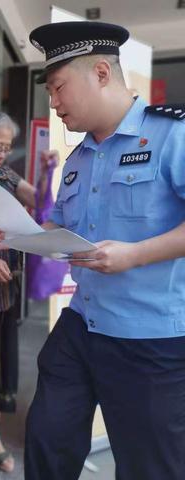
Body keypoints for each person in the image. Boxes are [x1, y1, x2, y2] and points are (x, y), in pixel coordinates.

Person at [25, 21, 185, 480]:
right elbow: (64, 226)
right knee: (47, 439)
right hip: (81, 324)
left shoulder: (171, 135)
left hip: (149, 335)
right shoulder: (78, 159)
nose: (53, 103)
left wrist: (135, 255)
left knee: (149, 465)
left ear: (100, 72)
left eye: (58, 88)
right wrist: (15, 231)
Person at [0, 111, 57, 473]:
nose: (2, 154)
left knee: (2, 360)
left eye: (7, 147)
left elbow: (37, 200)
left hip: (5, 286)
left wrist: (44, 172)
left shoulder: (5, 175)